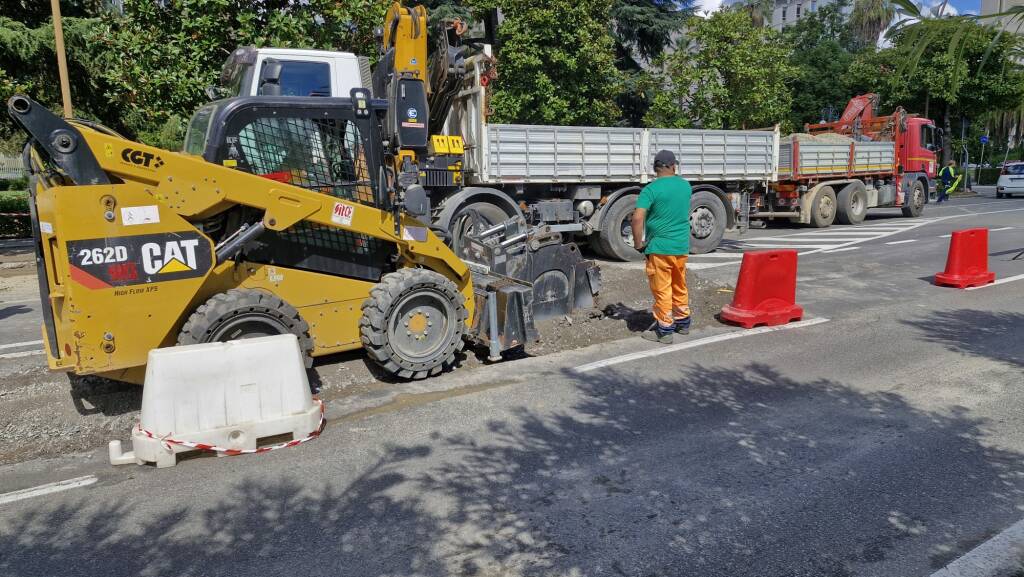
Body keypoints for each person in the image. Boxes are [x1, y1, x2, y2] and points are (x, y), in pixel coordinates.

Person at [631, 150, 692, 344]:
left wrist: (639, 244)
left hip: (659, 247)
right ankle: (683, 323)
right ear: (673, 166)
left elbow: (637, 218)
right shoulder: (686, 186)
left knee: (662, 289)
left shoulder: (650, 190)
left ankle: (664, 330)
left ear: (656, 168)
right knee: (679, 284)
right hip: (681, 247)